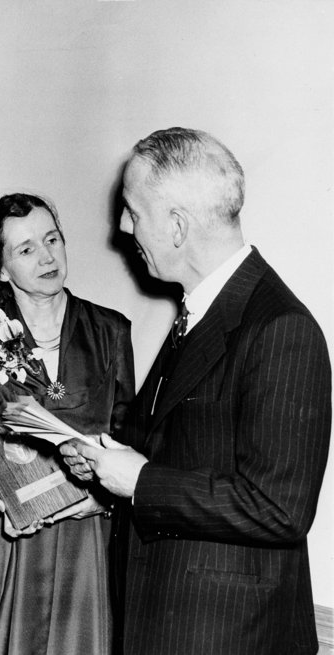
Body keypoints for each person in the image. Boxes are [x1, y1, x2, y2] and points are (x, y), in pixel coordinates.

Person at [61, 127, 332, 654]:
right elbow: (177, 448)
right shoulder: (202, 311)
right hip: (168, 621)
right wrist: (104, 462)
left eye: (134, 212)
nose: (122, 227)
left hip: (226, 634)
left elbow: (279, 507)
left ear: (178, 226)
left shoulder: (280, 327)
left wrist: (139, 481)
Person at [0, 192, 135, 654]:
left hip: (84, 540)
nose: (47, 257)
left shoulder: (111, 331)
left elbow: (130, 444)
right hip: (2, 544)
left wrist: (99, 500)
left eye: (53, 239)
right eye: (26, 249)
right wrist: (3, 482)